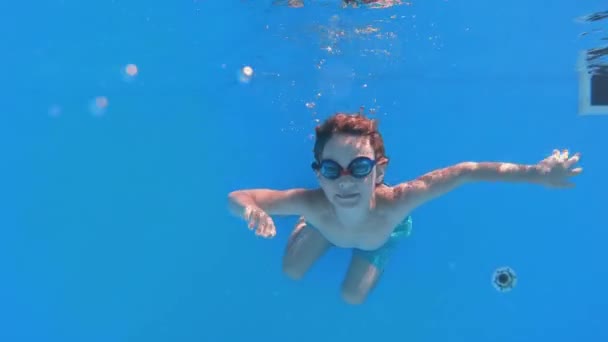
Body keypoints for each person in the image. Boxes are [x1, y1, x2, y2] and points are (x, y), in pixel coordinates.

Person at [227, 112, 583, 305]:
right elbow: (239, 196)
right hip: (324, 222)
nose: (346, 181)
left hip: (380, 235)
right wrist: (250, 212)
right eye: (333, 170)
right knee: (291, 270)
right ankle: (313, 229)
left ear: (380, 170)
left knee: (352, 297)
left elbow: (466, 172)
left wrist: (536, 174)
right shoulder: (312, 202)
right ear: (320, 175)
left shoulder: (397, 202)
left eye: (360, 167)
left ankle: (375, 245)